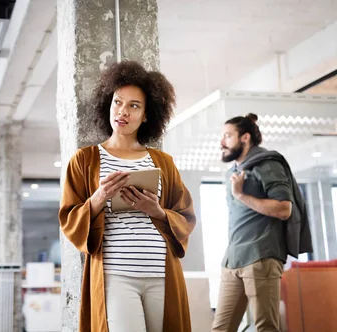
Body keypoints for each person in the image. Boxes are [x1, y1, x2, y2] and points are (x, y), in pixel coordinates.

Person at [59, 61, 196, 332]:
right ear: (108, 104)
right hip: (115, 275)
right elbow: (68, 219)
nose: (123, 111)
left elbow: (186, 216)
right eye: (118, 102)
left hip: (162, 273)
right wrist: (100, 197)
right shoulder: (85, 160)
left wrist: (156, 211)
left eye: (134, 105)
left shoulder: (163, 162)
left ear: (146, 115)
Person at [212, 114, 311, 332]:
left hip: (261, 256)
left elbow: (284, 209)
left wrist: (241, 195)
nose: (222, 142)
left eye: (228, 136)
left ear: (245, 137)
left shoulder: (267, 164)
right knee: (220, 329)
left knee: (265, 327)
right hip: (233, 259)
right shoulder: (234, 171)